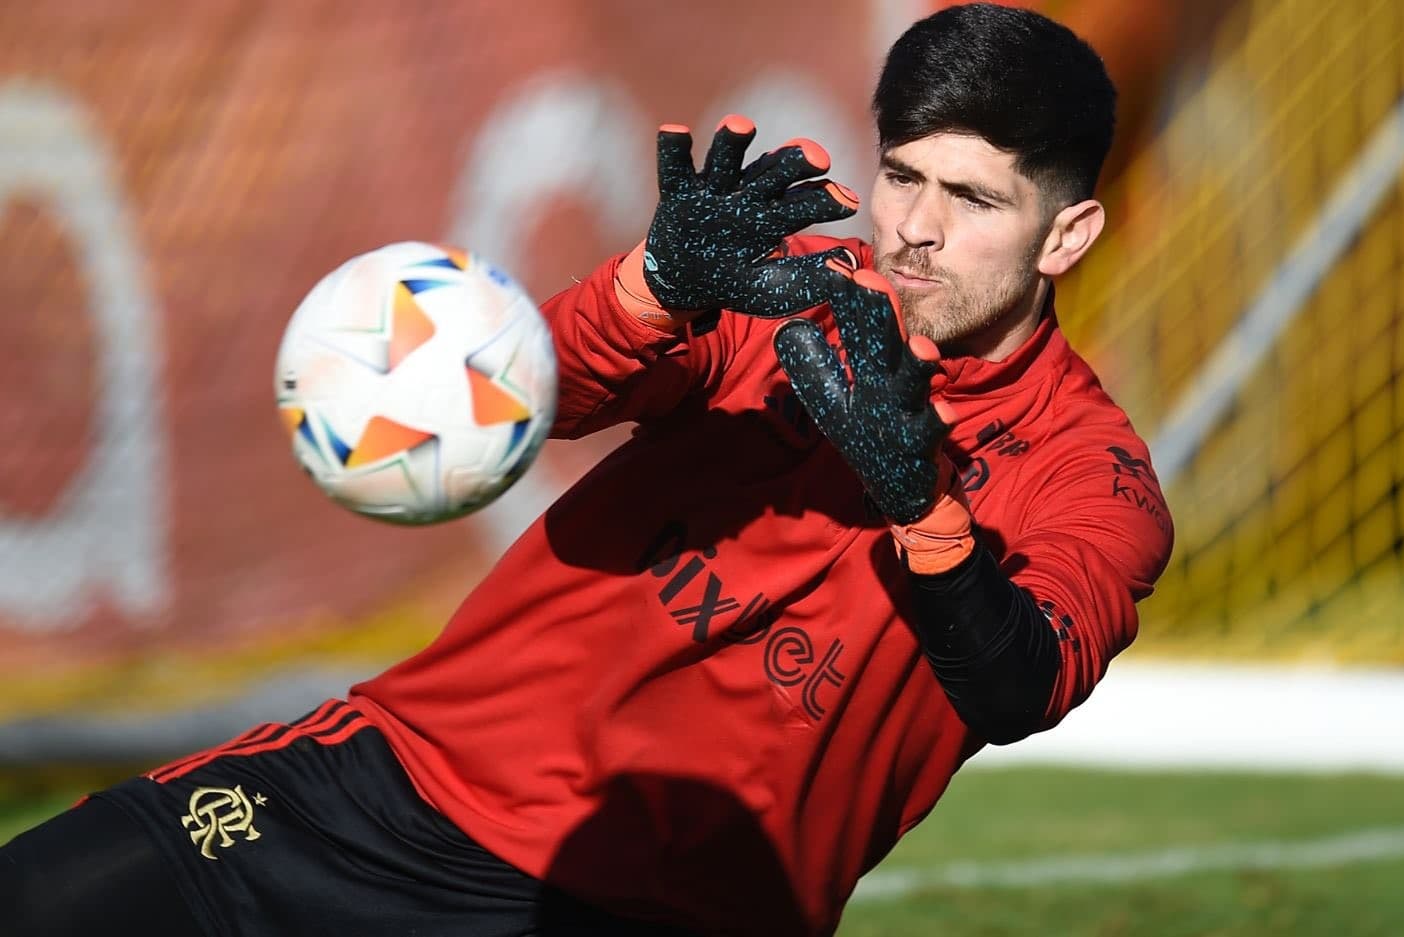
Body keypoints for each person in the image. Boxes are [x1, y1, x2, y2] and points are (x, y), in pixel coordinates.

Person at [2, 5, 1173, 936]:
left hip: (668, 912)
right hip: (400, 789)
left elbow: (1017, 685)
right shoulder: (786, 297)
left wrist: (917, 496)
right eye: (904, 176)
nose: (915, 226)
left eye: (970, 199)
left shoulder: (1093, 480)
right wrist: (653, 285)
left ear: (1063, 235)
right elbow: (525, 393)